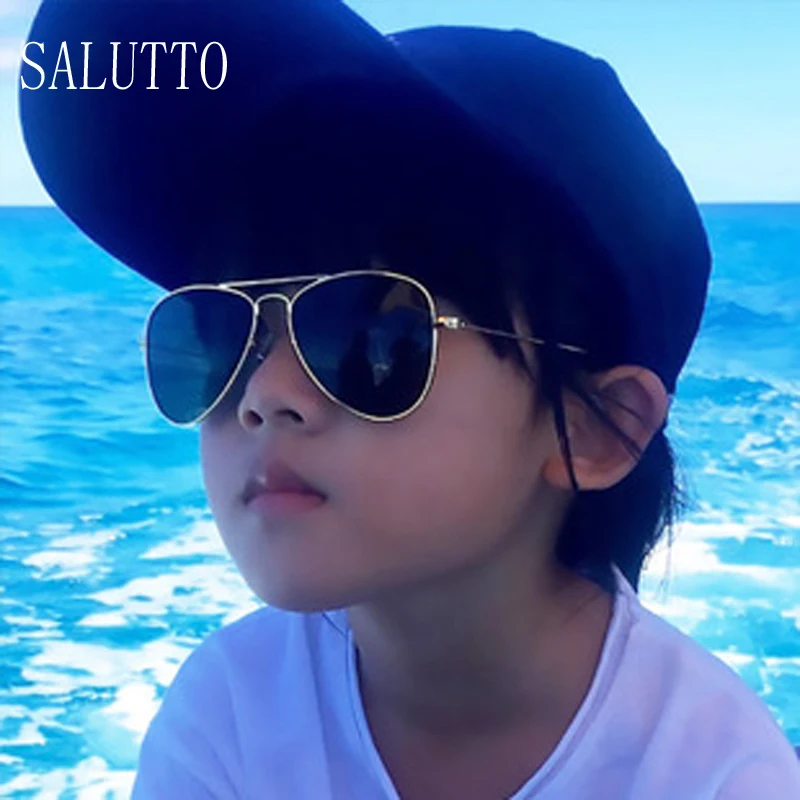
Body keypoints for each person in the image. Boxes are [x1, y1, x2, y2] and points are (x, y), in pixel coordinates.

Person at [20, 1, 800, 797]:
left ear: (600, 430)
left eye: (369, 331)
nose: (264, 393)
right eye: (225, 330)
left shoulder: (714, 773)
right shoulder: (230, 716)